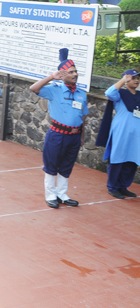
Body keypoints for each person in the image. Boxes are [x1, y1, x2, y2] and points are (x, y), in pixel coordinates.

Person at [30, 48, 86, 209]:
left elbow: (83, 116)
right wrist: (50, 77)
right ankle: (50, 195)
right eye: (71, 72)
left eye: (76, 71)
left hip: (74, 136)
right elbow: (33, 89)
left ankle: (62, 194)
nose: (75, 74)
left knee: (67, 165)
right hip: (58, 134)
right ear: (62, 75)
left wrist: (82, 136)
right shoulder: (54, 89)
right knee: (51, 165)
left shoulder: (81, 93)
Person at [96, 69, 140, 199]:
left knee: (132, 160)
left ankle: (123, 186)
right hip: (121, 132)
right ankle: (113, 187)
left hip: (136, 135)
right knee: (117, 159)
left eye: (137, 78)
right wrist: (123, 81)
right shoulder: (120, 94)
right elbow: (109, 93)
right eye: (133, 78)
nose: (136, 80)